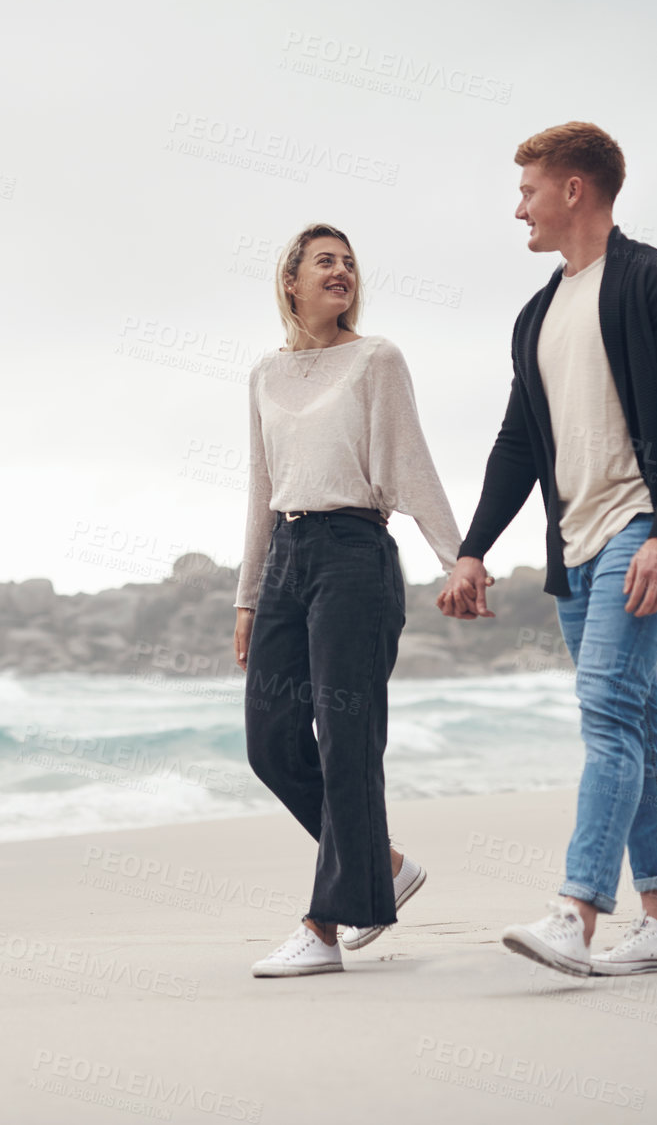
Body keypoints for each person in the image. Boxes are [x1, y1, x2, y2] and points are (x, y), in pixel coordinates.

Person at [441, 122, 657, 977]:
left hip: (645, 526)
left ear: (574, 190)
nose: (516, 208)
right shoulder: (536, 314)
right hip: (575, 548)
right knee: (637, 721)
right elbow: (516, 444)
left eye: (528, 190)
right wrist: (471, 549)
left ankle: (576, 912)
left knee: (606, 714)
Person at [235, 222, 468, 978]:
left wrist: (456, 557)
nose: (340, 272)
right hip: (286, 561)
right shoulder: (265, 374)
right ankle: (384, 867)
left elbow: (410, 462)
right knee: (271, 743)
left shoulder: (377, 359)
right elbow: (260, 490)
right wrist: (247, 597)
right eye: (323, 262)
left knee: (346, 744)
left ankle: (324, 925)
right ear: (291, 283)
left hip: (354, 556)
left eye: (349, 263)